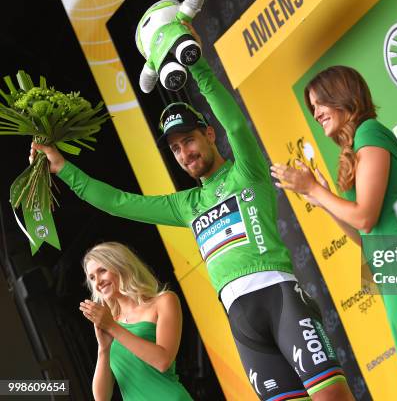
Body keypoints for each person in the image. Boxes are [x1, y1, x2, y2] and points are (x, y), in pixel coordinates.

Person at [31, 24, 354, 401]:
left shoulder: (245, 171)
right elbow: (118, 202)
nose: (185, 153)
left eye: (189, 140)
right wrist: (63, 169)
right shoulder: (185, 205)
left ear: (209, 136)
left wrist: (196, 65)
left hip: (279, 296)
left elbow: (234, 122)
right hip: (240, 319)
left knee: (333, 398)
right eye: (176, 149)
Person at [270, 66, 397, 401]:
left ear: (344, 96)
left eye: (321, 102)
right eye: (312, 107)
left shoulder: (370, 132)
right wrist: (322, 200)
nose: (317, 112)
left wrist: (316, 190)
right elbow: (364, 237)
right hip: (395, 273)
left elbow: (366, 217)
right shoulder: (356, 148)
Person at [80, 241, 192, 401]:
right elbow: (101, 397)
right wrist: (103, 349)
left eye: (102, 271)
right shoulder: (110, 323)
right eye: (92, 277)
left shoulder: (164, 301)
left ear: (121, 266)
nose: (97, 282)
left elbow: (163, 361)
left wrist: (112, 327)